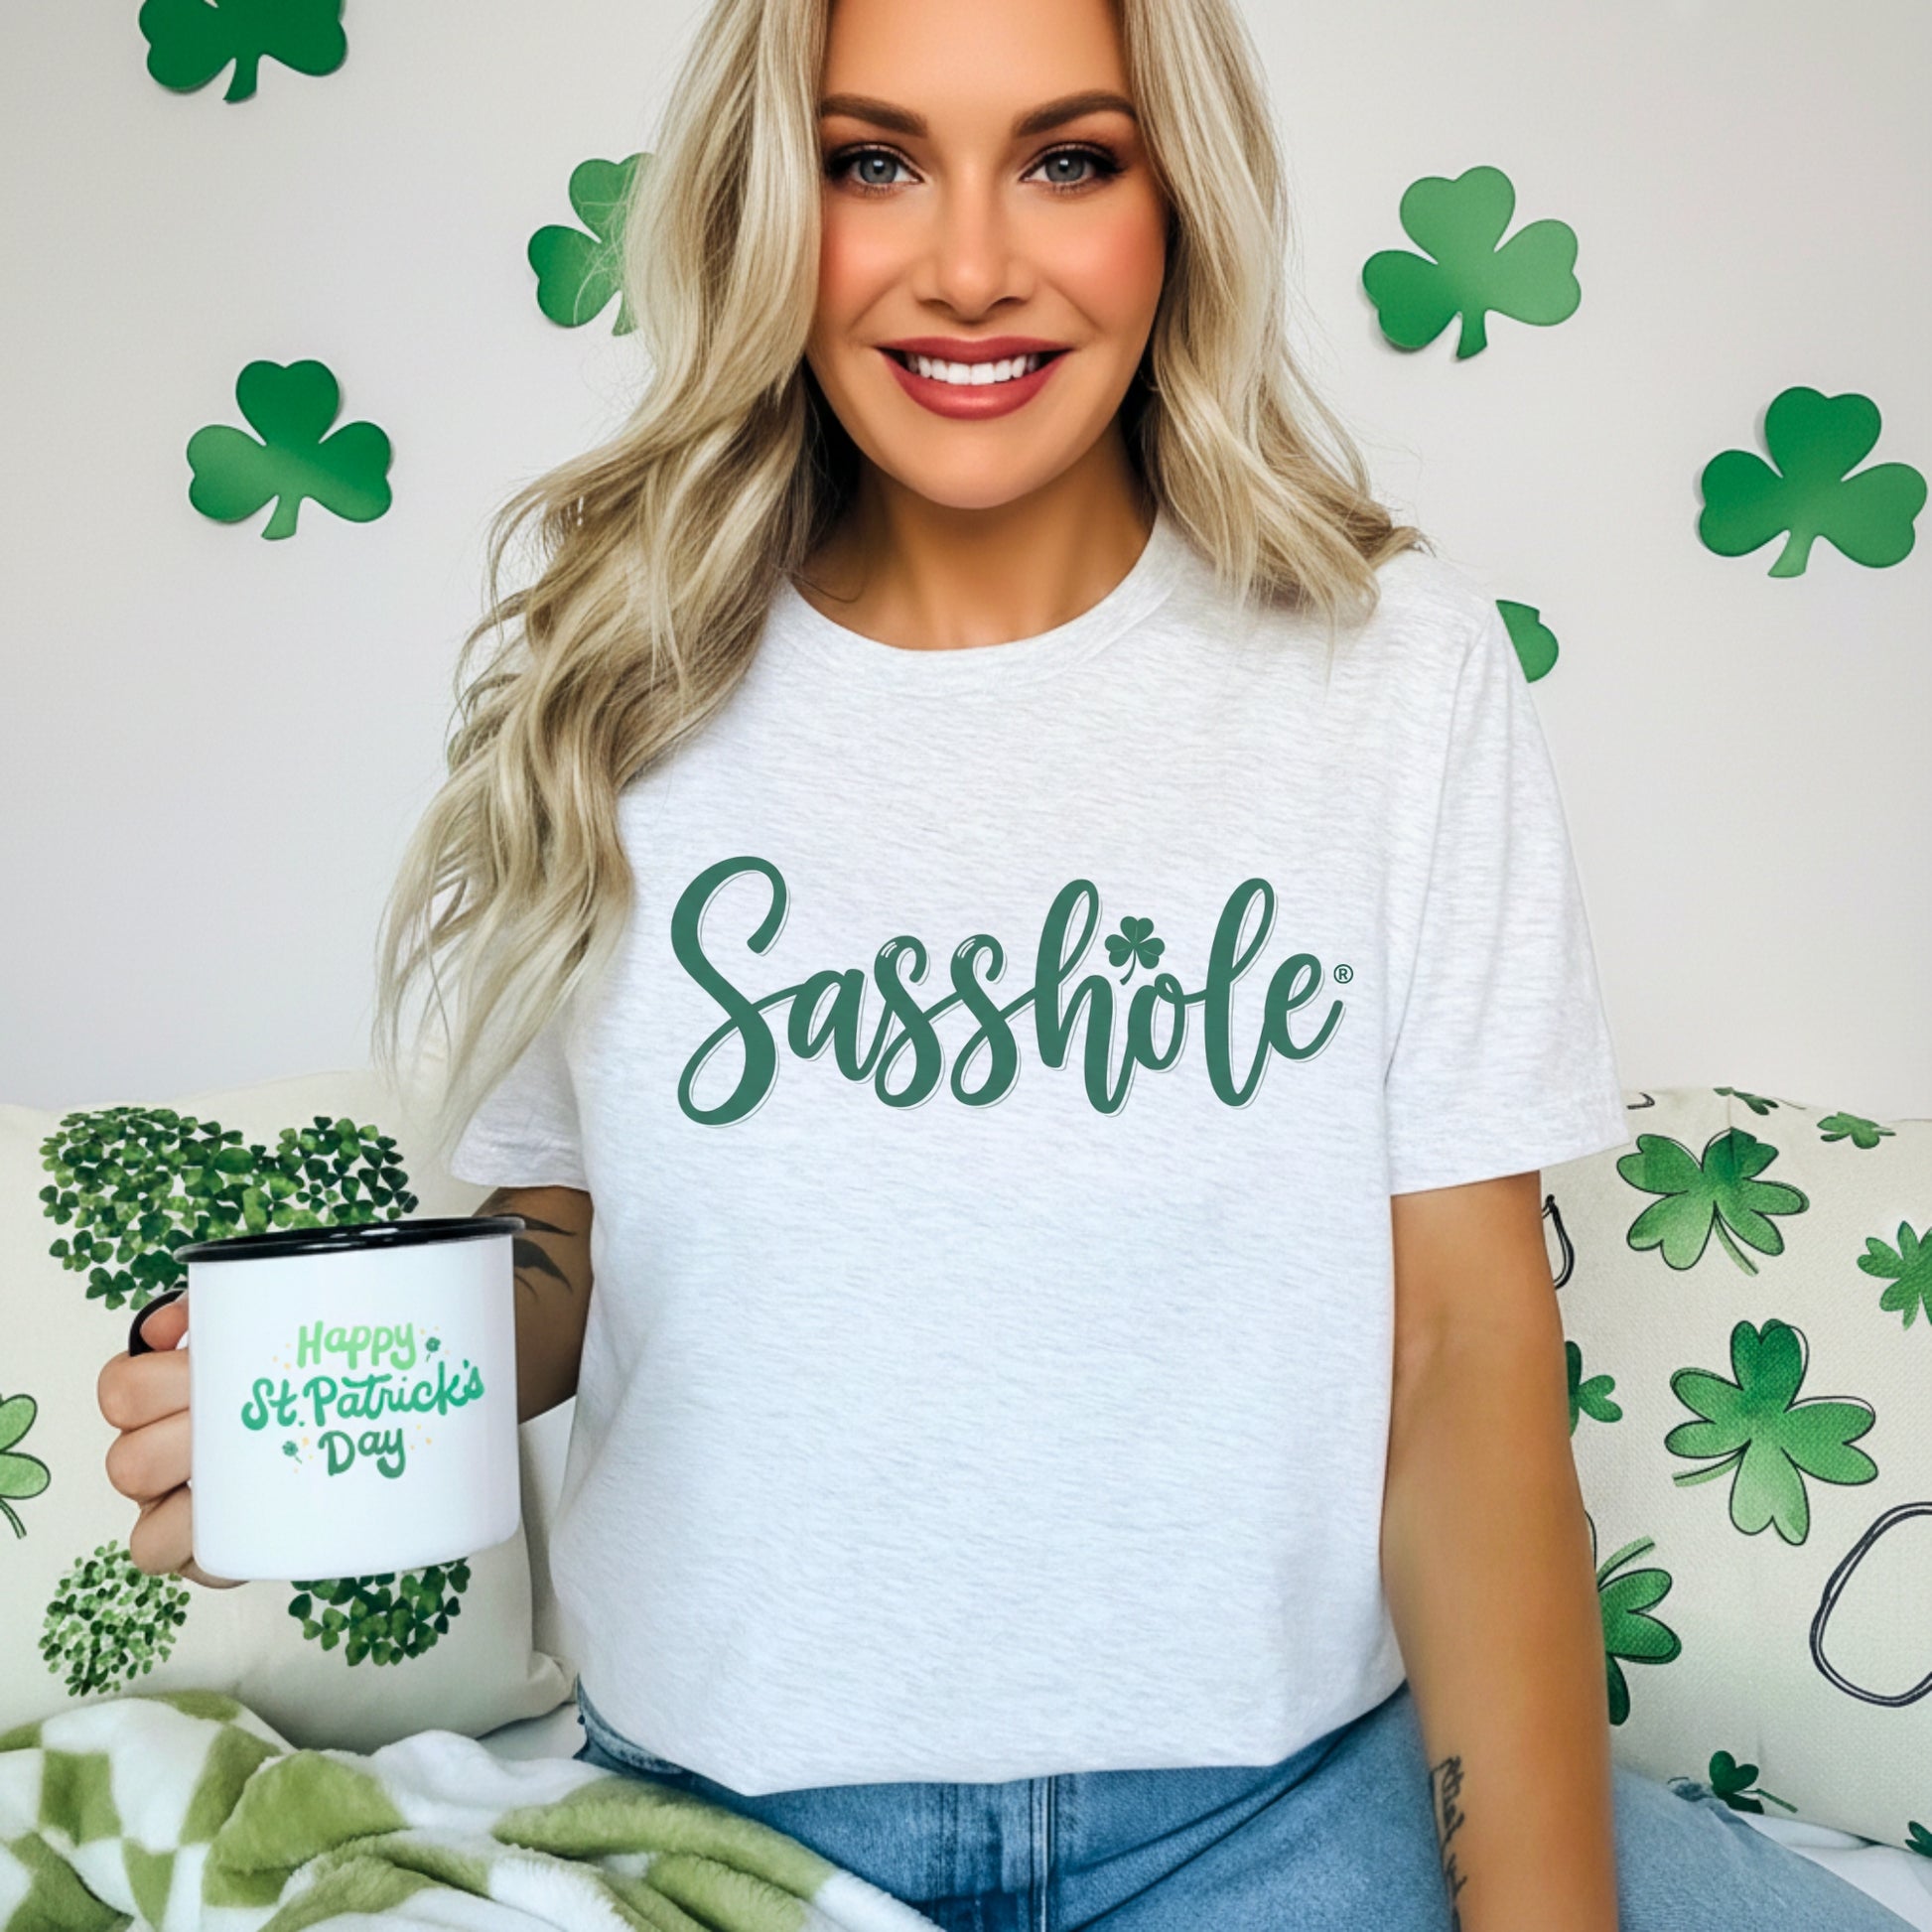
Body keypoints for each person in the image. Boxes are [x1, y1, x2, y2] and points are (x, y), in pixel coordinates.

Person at [98, 1, 1914, 1927]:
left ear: (1174, 204)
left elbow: (1461, 1347)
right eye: (873, 159)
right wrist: (352, 1392)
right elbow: (580, 1238)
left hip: (1278, 1809)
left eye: (1067, 156)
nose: (969, 265)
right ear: (768, 206)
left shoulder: (1389, 670)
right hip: (734, 1823)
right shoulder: (614, 674)